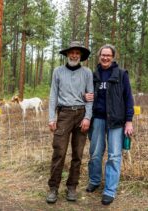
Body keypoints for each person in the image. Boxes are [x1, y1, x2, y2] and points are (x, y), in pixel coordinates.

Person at [86, 44, 134, 205]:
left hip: (117, 122)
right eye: (102, 55)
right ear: (99, 57)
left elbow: (128, 98)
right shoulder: (94, 75)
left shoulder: (121, 75)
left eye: (108, 55)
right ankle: (94, 180)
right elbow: (87, 94)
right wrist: (84, 96)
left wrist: (129, 121)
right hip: (97, 119)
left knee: (114, 156)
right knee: (95, 154)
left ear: (113, 57)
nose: (105, 57)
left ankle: (109, 190)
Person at [46, 41, 93, 203]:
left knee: (77, 154)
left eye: (77, 53)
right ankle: (53, 188)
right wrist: (52, 118)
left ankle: (72, 187)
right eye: (71, 52)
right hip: (64, 114)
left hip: (81, 114)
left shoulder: (87, 73)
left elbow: (90, 97)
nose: (74, 55)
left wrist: (87, 117)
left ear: (81, 56)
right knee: (59, 151)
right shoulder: (58, 71)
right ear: (67, 54)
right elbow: (53, 95)